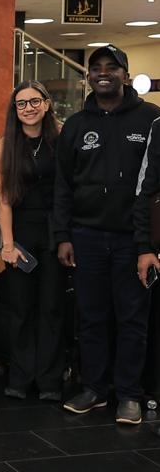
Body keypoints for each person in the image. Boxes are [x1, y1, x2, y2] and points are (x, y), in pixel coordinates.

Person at [56, 45, 160, 425]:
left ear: (125, 75)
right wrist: (63, 235)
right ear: (88, 77)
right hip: (86, 237)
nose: (103, 73)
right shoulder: (75, 125)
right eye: (96, 68)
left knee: (133, 319)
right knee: (91, 318)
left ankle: (129, 394)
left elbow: (153, 187)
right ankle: (95, 389)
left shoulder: (151, 119)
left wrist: (147, 246)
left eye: (112, 68)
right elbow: (63, 186)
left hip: (133, 240)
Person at [0, 81, 65, 401]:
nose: (29, 108)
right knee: (21, 307)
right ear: (14, 110)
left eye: (35, 101)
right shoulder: (4, 146)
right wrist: (7, 246)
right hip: (21, 233)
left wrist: (67, 237)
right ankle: (20, 377)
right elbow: (4, 200)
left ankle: (49, 380)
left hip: (55, 231)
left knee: (52, 307)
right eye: (21, 103)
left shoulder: (62, 138)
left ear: (47, 104)